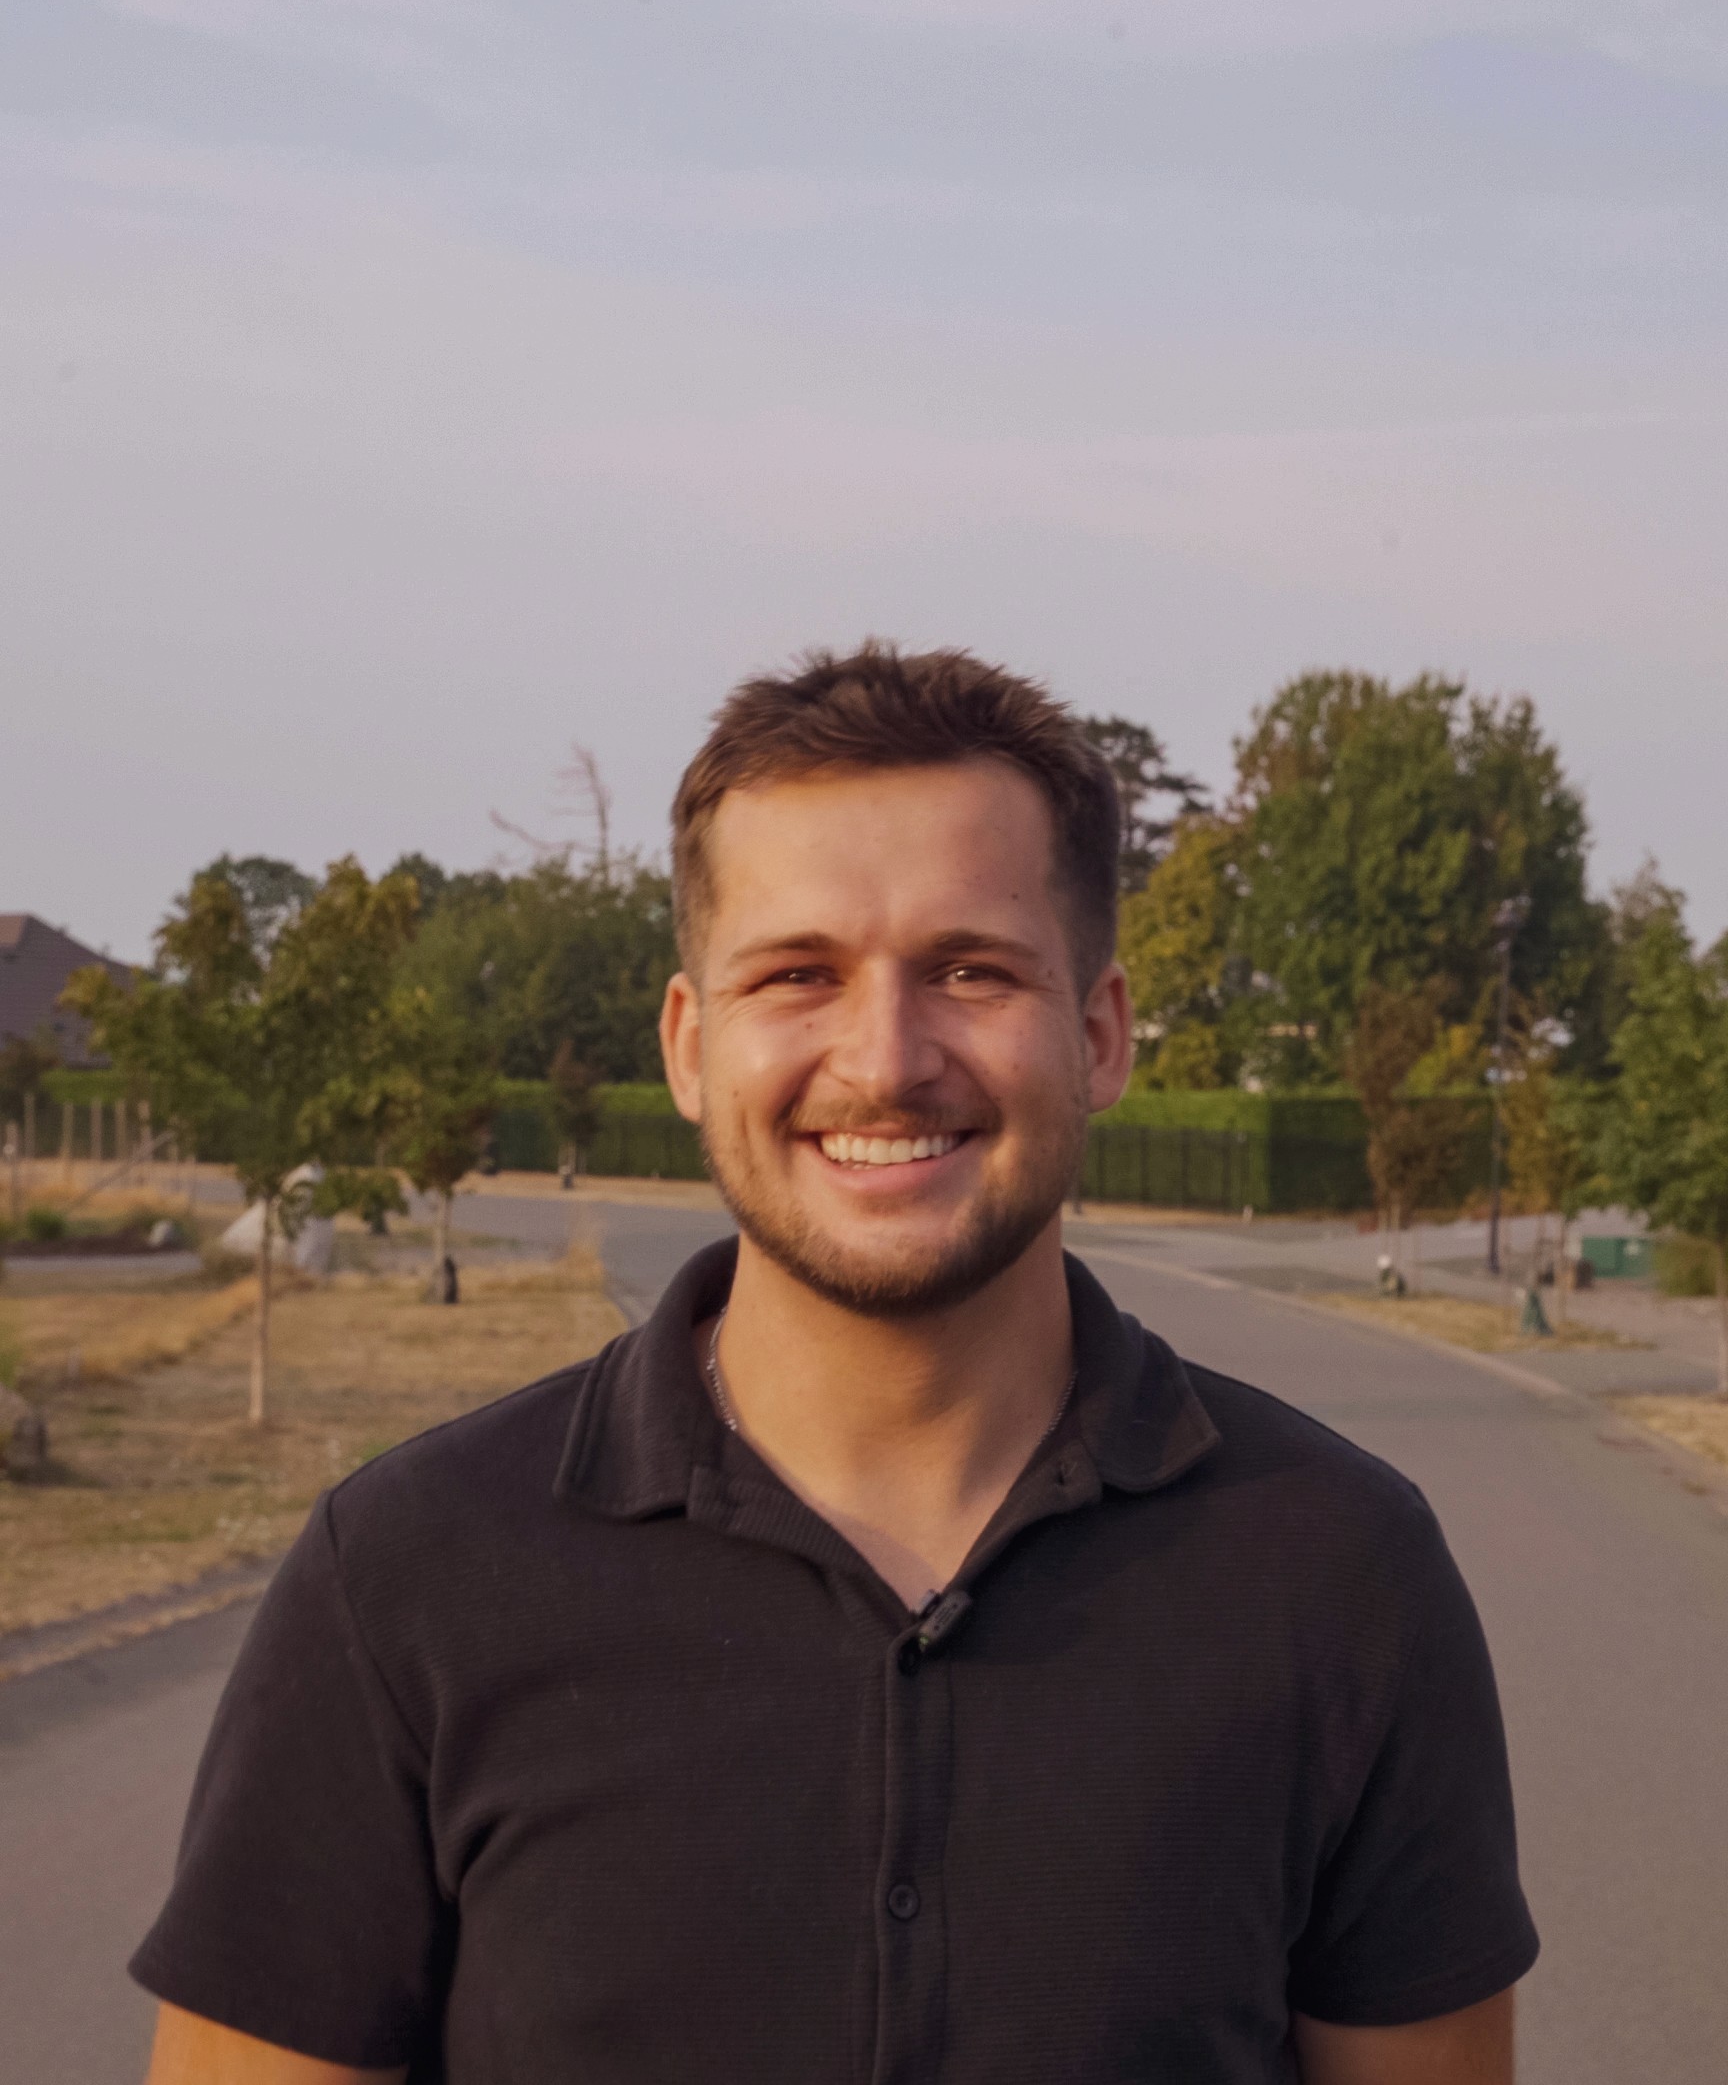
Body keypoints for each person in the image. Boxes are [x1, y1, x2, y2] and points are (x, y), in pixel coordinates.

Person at [136, 645, 1537, 2083]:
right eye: (798, 974)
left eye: (971, 970)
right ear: (690, 1047)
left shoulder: (1341, 1575)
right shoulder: (410, 1577)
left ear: (1101, 1035)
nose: (884, 1058)